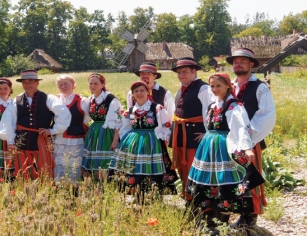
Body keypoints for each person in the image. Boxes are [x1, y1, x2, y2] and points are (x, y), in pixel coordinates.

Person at [186, 74, 255, 228]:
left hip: (224, 147)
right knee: (209, 180)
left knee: (225, 180)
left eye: (218, 86)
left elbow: (243, 128)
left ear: (227, 86)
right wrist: (208, 134)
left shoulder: (234, 106)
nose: (215, 89)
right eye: (212, 86)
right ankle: (208, 215)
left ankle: (226, 216)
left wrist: (247, 148)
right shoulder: (212, 106)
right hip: (208, 147)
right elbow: (210, 125)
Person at [226, 48, 276, 229]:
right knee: (234, 179)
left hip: (250, 142)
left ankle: (250, 220)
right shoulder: (228, 86)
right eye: (235, 62)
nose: (238, 64)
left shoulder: (260, 87)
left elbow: (266, 116)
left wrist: (246, 139)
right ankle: (240, 215)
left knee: (250, 180)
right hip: (230, 143)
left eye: (243, 61)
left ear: (251, 64)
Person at [0, 69, 71, 180]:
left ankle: (46, 190)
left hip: (41, 138)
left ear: (37, 82)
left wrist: (53, 130)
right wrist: (10, 141)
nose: (27, 85)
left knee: (44, 167)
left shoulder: (49, 98)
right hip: (22, 139)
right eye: (25, 82)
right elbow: (8, 120)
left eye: (31, 81)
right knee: (22, 168)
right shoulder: (17, 100)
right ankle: (25, 191)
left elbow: (64, 113)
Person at [109, 81, 178, 193]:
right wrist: (124, 142)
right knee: (134, 165)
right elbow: (125, 128)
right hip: (134, 142)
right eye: (136, 91)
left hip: (152, 142)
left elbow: (165, 126)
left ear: (148, 92)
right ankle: (134, 189)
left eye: (142, 90)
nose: (139, 93)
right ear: (132, 94)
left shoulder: (157, 108)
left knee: (151, 164)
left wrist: (160, 138)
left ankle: (153, 190)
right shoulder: (130, 111)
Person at [170, 57, 215, 202]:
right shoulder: (181, 90)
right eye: (179, 73)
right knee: (183, 168)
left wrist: (207, 133)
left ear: (194, 71)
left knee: (195, 168)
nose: (181, 75)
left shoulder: (203, 88)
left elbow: (210, 112)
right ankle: (189, 198)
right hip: (182, 136)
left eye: (185, 72)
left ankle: (200, 202)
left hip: (195, 137)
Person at [81, 73, 123, 177]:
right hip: (94, 131)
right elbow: (85, 117)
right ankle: (93, 179)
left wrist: (115, 140)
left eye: (96, 83)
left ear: (102, 84)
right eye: (90, 83)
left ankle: (106, 179)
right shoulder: (90, 100)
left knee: (106, 156)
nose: (93, 86)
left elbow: (118, 121)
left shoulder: (110, 99)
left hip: (107, 131)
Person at [53, 74, 91, 183]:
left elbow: (87, 117)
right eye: (60, 85)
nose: (63, 86)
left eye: (66, 84)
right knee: (59, 162)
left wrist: (77, 125)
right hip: (59, 137)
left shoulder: (82, 101)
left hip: (75, 138)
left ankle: (74, 186)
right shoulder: (54, 100)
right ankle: (60, 185)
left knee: (74, 163)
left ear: (73, 85)